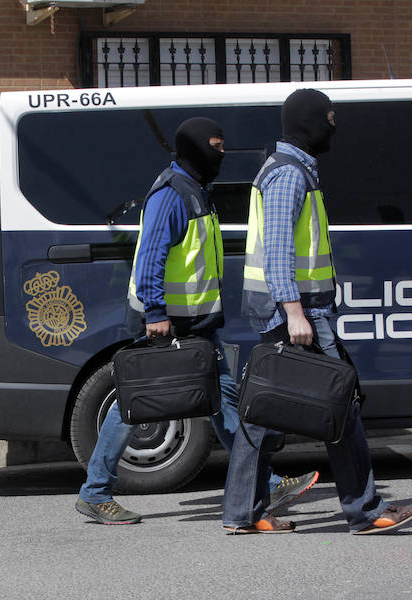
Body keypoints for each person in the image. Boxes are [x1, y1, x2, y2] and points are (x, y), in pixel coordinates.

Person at [75, 117, 318, 525]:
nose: (221, 154)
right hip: (170, 324)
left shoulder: (194, 190)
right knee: (135, 405)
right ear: (193, 149)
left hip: (198, 324)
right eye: (215, 146)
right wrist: (155, 314)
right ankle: (95, 491)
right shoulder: (172, 194)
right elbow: (151, 255)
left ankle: (265, 482)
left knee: (224, 403)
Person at [221, 89, 412, 534]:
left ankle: (242, 514)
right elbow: (276, 253)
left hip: (290, 310)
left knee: (264, 412)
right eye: (329, 117)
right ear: (310, 122)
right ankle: (365, 512)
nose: (334, 126)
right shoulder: (289, 174)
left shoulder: (291, 170)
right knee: (340, 405)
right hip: (297, 312)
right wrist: (295, 313)